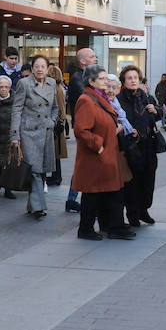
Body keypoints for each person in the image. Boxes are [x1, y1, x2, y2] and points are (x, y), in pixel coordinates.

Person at [72, 65, 136, 240]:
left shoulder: (100, 98)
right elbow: (81, 130)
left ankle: (113, 226)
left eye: (107, 78)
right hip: (96, 157)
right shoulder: (86, 100)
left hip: (107, 155)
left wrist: (115, 129)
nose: (107, 82)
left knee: (112, 192)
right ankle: (86, 229)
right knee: (92, 194)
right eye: (102, 78)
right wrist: (99, 144)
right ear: (91, 81)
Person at [11, 55, 59, 219]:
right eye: (36, 66)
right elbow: (16, 110)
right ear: (32, 68)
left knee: (41, 170)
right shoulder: (24, 84)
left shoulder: (51, 83)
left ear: (47, 69)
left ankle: (33, 205)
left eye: (42, 66)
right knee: (34, 170)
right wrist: (15, 135)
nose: (39, 69)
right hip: (28, 133)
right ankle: (39, 207)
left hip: (46, 132)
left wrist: (52, 122)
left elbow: (55, 107)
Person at [117, 65, 163, 226]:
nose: (133, 81)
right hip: (131, 146)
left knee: (148, 179)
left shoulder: (146, 97)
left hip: (148, 145)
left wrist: (156, 110)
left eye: (135, 78)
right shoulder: (120, 99)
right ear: (123, 81)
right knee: (132, 182)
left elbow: (159, 114)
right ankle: (132, 213)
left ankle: (144, 210)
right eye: (129, 78)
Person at [66, 47, 98, 212]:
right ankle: (74, 198)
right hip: (85, 128)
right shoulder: (78, 79)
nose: (96, 58)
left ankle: (73, 198)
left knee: (85, 163)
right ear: (83, 61)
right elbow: (90, 100)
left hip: (92, 126)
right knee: (84, 163)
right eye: (92, 56)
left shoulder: (88, 77)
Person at [46, 64, 68, 186]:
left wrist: (59, 122)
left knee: (56, 152)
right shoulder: (57, 88)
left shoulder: (57, 89)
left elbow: (60, 108)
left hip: (57, 125)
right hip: (58, 123)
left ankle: (56, 177)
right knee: (55, 152)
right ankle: (55, 176)